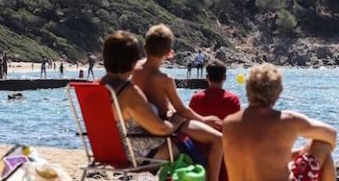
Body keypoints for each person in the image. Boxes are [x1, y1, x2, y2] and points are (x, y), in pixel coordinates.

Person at [131, 24, 223, 181]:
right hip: (160, 131)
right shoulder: (165, 80)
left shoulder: (133, 69)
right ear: (169, 53)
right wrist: (204, 120)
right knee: (218, 139)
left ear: (145, 47)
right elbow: (182, 110)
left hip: (137, 134)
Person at [223, 63, 337, 181]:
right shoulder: (287, 120)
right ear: (278, 91)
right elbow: (331, 134)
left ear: (247, 88)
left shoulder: (228, 123)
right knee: (322, 144)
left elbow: (256, 156)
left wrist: (292, 153)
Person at [98, 31, 186, 170]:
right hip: (135, 156)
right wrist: (175, 123)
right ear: (133, 62)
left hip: (105, 152)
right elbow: (161, 129)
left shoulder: (96, 87)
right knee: (188, 145)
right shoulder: (128, 92)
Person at [190, 60, 242, 181]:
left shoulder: (196, 98)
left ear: (207, 78)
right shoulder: (233, 100)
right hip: (224, 155)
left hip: (199, 153)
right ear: (224, 78)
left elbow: (190, 123)